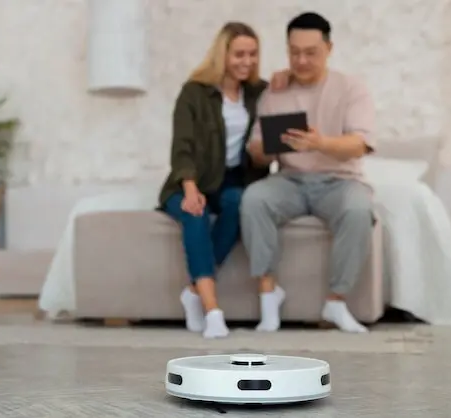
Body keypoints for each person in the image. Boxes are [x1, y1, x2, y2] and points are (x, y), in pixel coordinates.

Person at [241, 12, 376, 333]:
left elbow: (360, 144)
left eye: (310, 52)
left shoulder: (351, 88)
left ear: (329, 49)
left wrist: (320, 143)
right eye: (294, 52)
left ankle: (336, 301)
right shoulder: (275, 91)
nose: (301, 61)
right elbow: (256, 152)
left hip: (340, 180)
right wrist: (268, 147)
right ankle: (268, 295)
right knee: (255, 199)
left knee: (358, 209)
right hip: (290, 179)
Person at [158, 22, 290, 339]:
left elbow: (290, 103)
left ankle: (193, 291)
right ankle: (212, 311)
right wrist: (190, 188)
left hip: (234, 180)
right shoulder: (194, 92)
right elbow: (182, 148)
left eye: (253, 54)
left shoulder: (258, 92)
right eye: (239, 54)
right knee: (196, 214)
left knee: (238, 203)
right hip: (193, 178)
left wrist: (286, 79)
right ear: (223, 54)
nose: (247, 61)